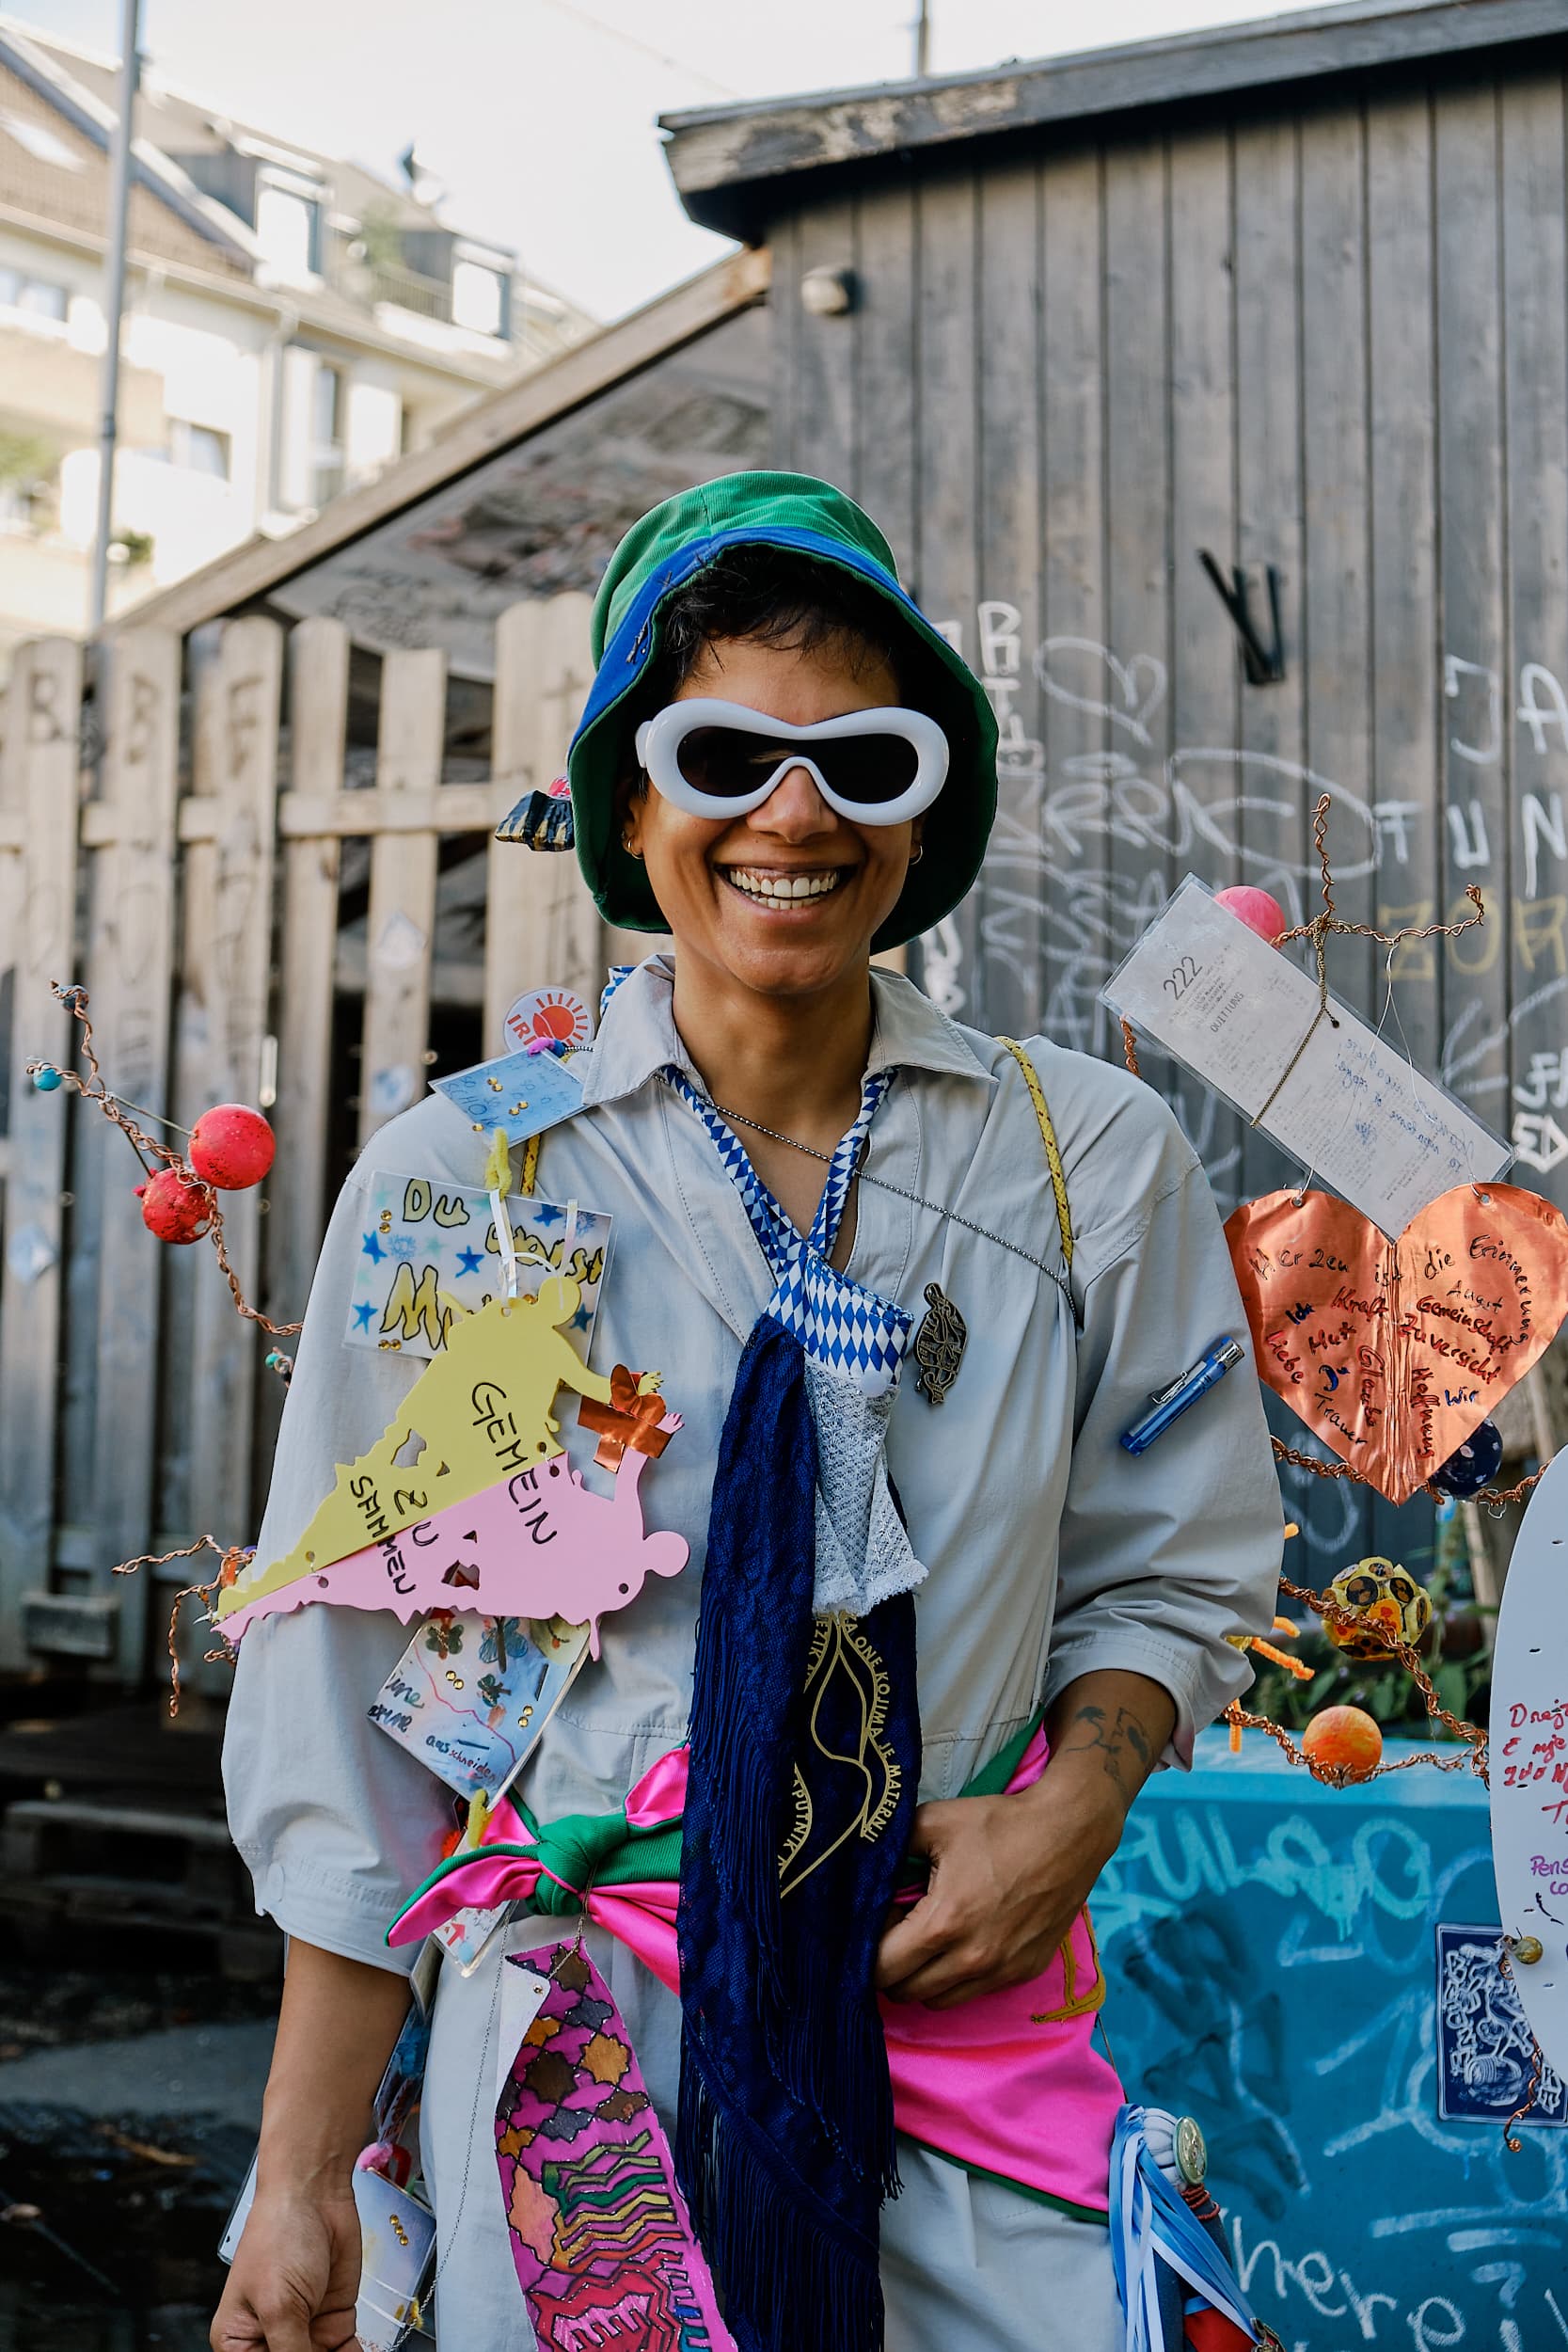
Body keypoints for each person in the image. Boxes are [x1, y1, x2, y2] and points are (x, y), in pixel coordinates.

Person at [214, 471, 1282, 2352]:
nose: (795, 815)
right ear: (632, 799)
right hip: (582, 2082)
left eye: (861, 762)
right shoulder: (472, 1189)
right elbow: (356, 1696)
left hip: (947, 2012)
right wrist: (300, 2177)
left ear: (923, 809)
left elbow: (1173, 1569)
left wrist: (1069, 1817)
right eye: (724, 754)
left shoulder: (1084, 1161)